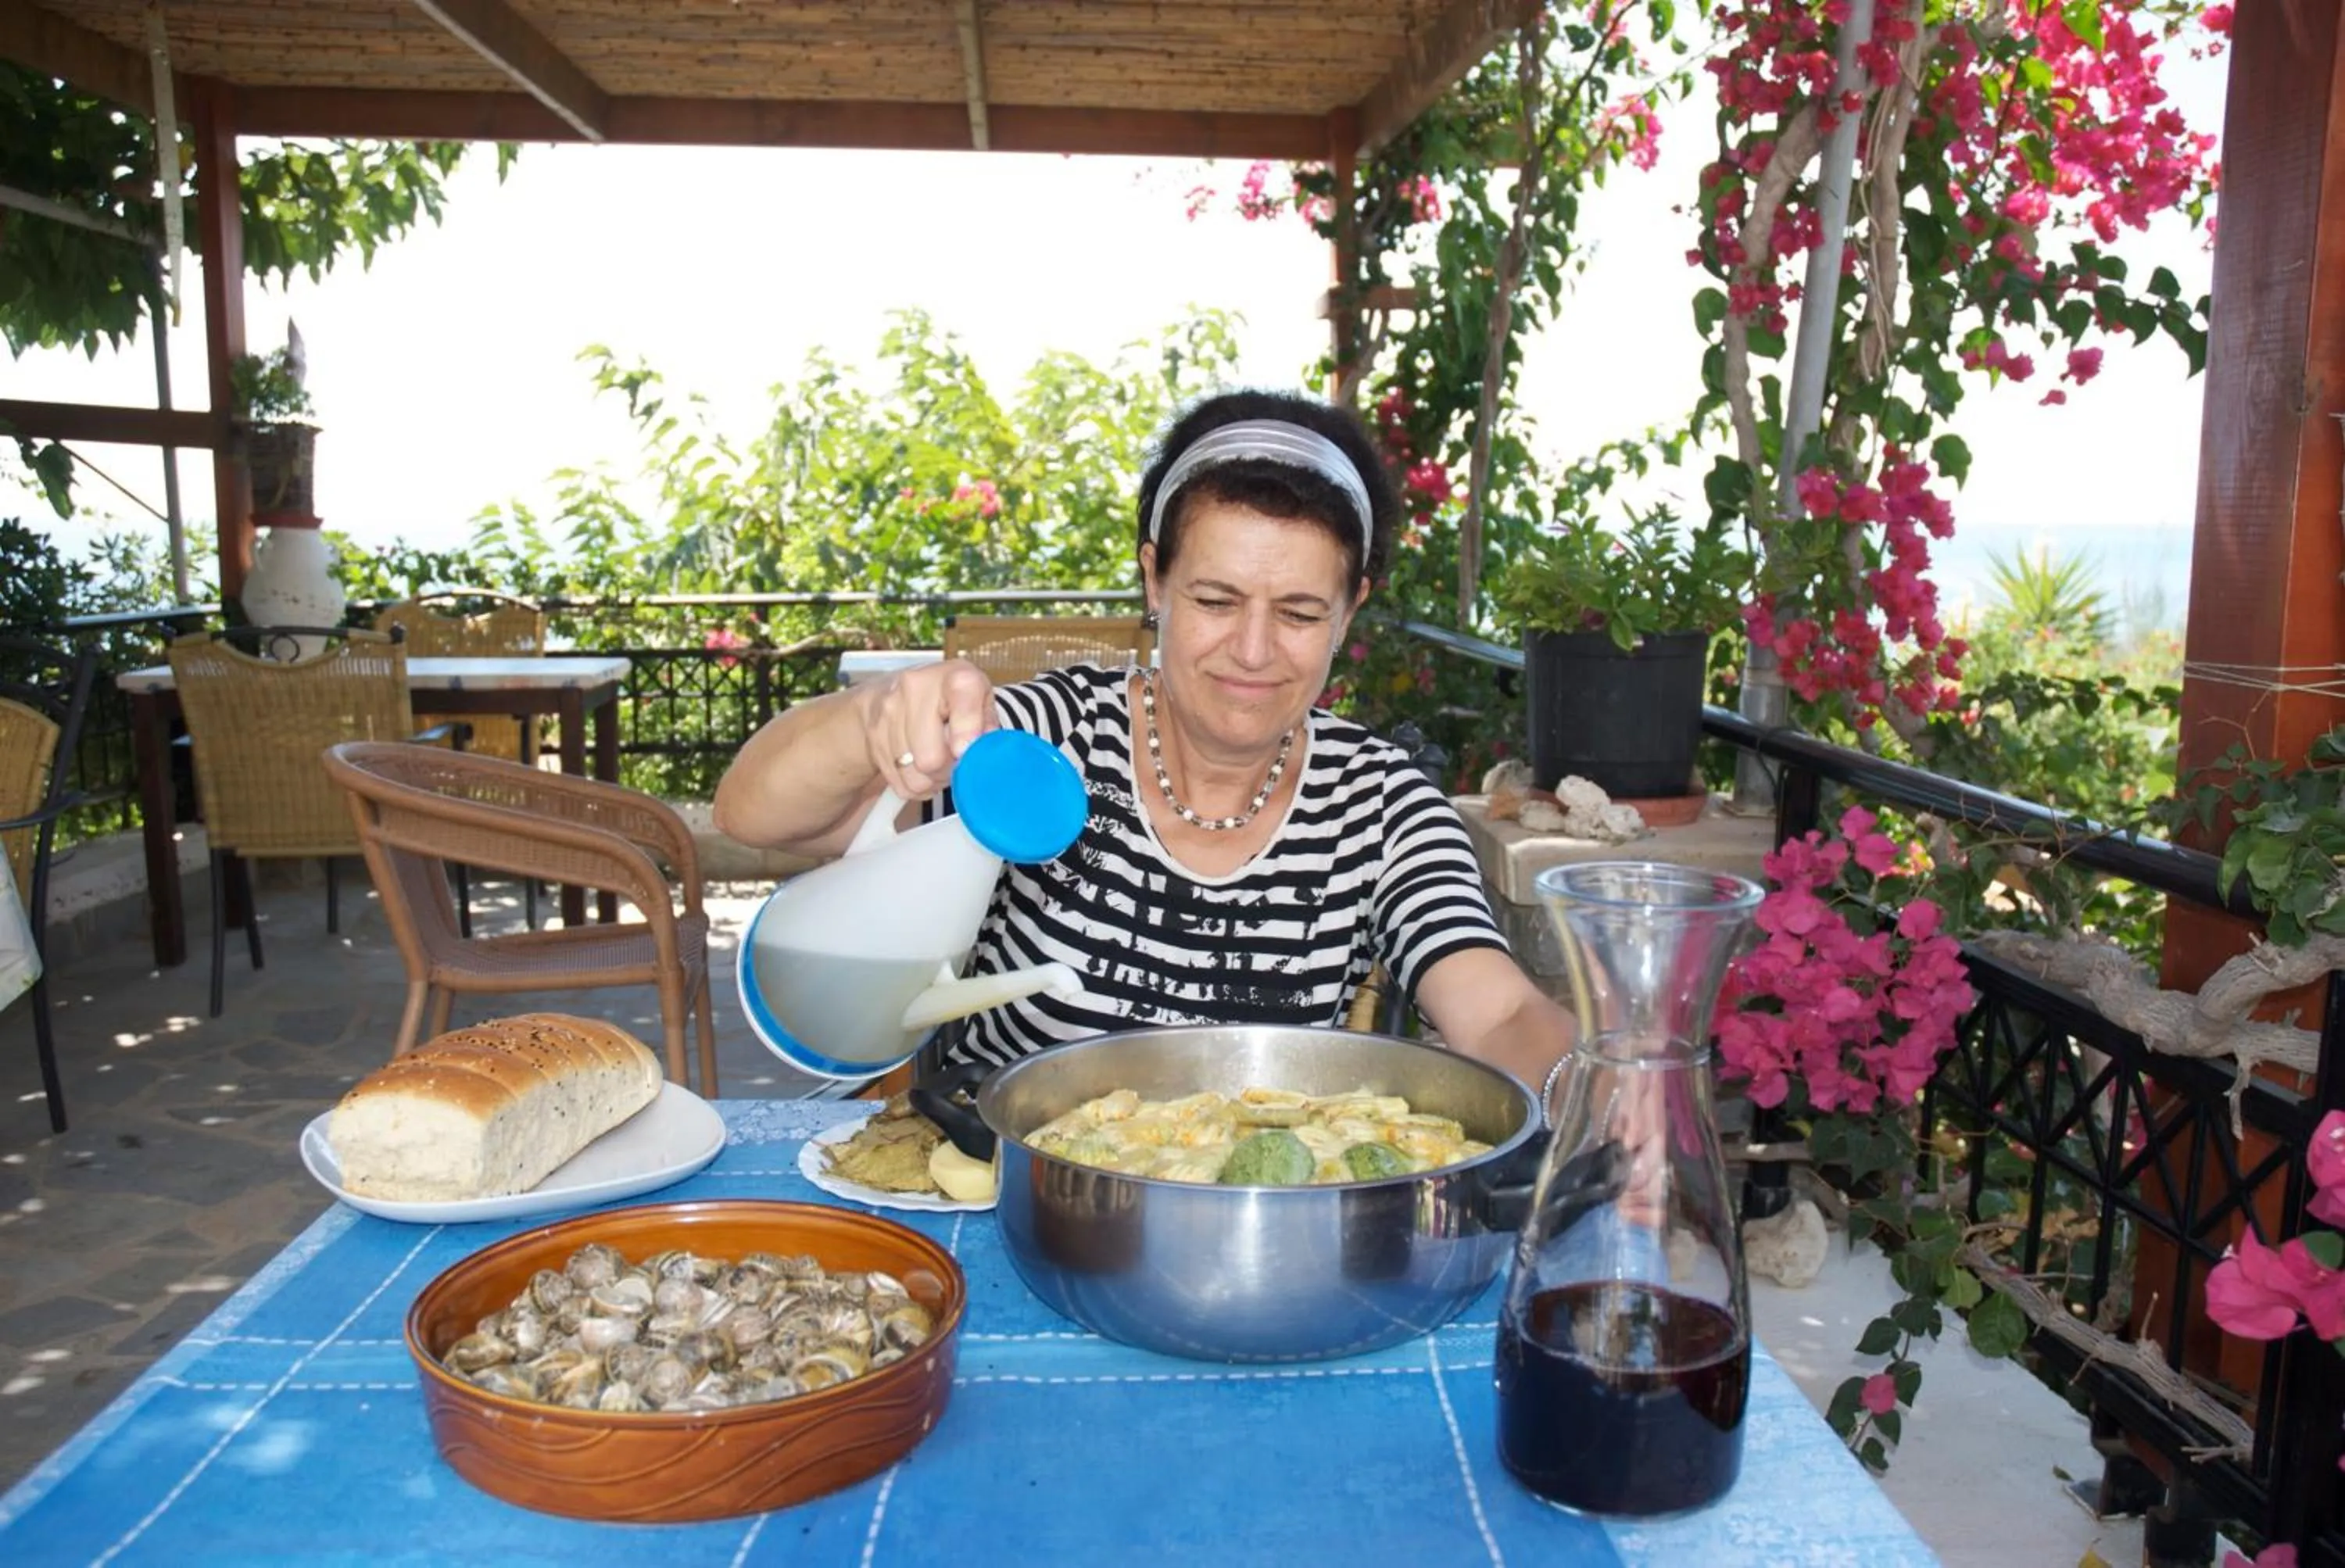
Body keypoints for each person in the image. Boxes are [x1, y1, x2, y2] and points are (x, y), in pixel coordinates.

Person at [714, 388, 1576, 1097]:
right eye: (1214, 599)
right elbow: (758, 813)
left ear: (1351, 608)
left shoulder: (1380, 803)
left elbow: (1495, 1010)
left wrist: (1597, 1094)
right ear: (1154, 578)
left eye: (1301, 613)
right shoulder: (1051, 743)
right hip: (1009, 1191)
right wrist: (870, 721)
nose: (1251, 649)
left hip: (1249, 1222)